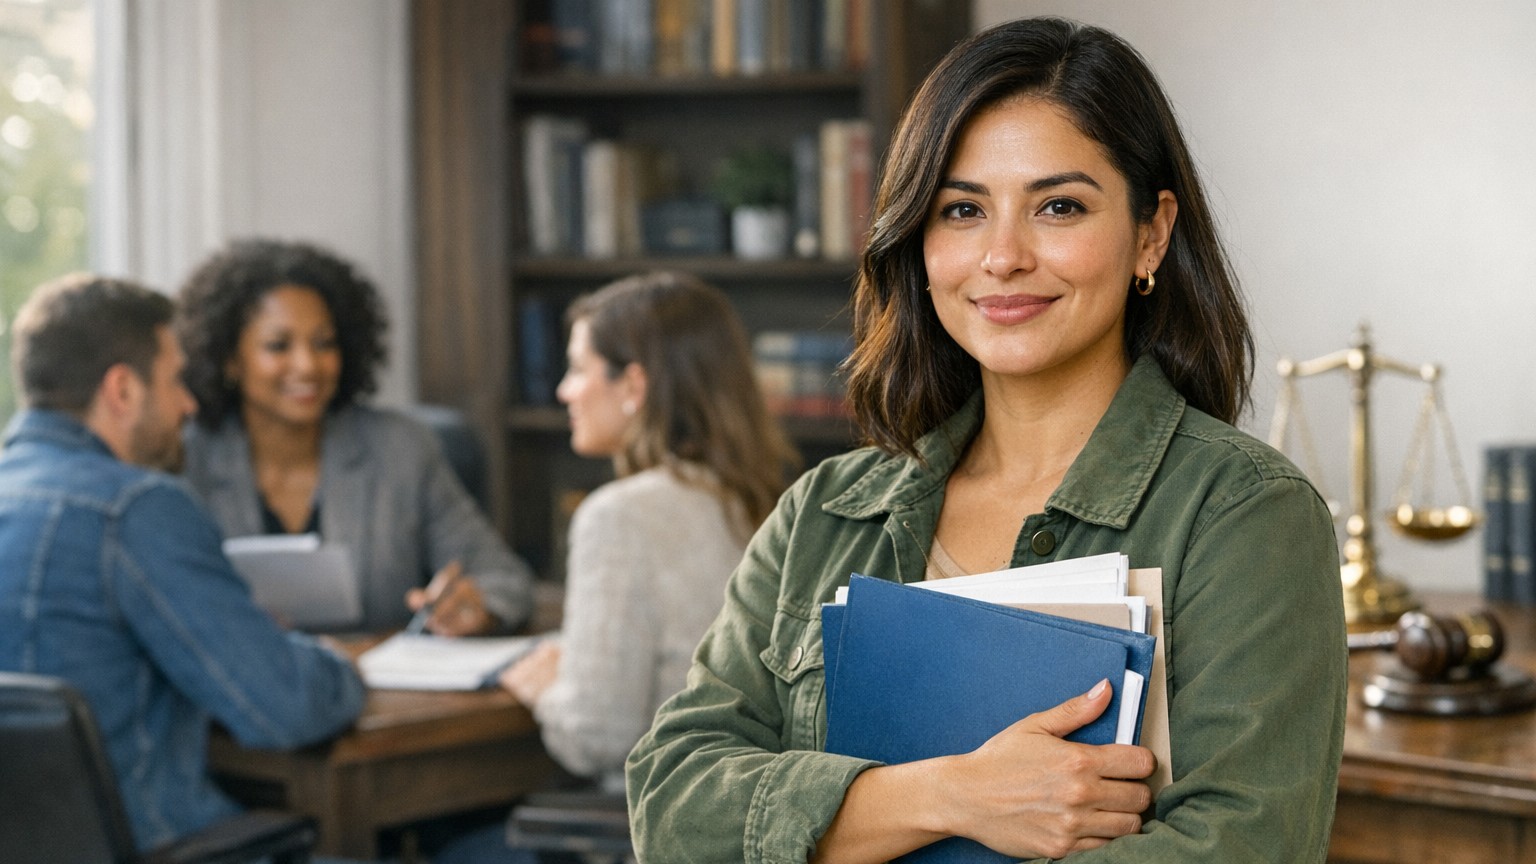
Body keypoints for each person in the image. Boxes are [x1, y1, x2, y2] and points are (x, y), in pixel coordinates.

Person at [627, 16, 1346, 864]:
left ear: (1150, 233)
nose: (1002, 257)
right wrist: (951, 795)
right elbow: (672, 804)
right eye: (962, 210)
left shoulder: (1244, 516)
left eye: (1059, 207)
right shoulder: (824, 512)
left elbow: (1241, 846)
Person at [434, 271, 801, 863]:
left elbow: (595, 737)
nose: (563, 391)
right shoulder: (772, 500)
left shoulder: (619, 516)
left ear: (633, 385)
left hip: (656, 836)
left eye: (578, 369)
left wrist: (546, 688)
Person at [0, 274, 366, 851]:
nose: (189, 405)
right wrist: (337, 664)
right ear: (123, 390)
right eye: (175, 381)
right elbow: (286, 708)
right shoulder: (136, 511)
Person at [176, 238, 535, 635]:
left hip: (378, 673)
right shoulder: (187, 459)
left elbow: (503, 579)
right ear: (229, 360)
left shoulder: (400, 449)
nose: (307, 365)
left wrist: (475, 607)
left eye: (324, 344)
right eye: (279, 346)